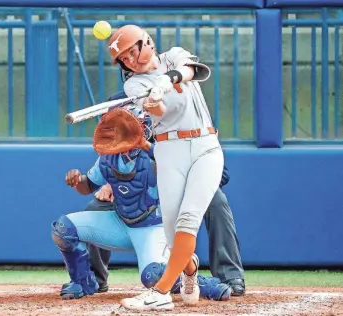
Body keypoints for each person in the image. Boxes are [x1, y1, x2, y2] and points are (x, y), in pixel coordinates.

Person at [67, 91, 245, 298]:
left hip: (178, 189)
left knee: (216, 200)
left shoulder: (181, 114)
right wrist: (112, 182)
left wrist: (165, 170)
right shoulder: (118, 103)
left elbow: (220, 175)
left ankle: (228, 275)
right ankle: (94, 279)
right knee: (95, 207)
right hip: (136, 198)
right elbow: (104, 168)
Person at [108, 24, 227, 310]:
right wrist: (154, 101)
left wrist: (166, 80)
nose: (129, 61)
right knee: (173, 232)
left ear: (146, 42)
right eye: (123, 59)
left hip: (204, 145)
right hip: (169, 149)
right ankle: (190, 270)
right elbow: (160, 112)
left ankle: (160, 293)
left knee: (188, 219)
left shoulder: (174, 55)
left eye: (130, 52)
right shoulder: (133, 85)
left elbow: (191, 70)